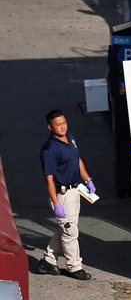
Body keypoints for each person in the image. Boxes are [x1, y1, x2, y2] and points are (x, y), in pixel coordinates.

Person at [37, 109, 96, 280]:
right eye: (58, 125)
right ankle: (74, 267)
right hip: (61, 195)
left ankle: (48, 261)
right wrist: (56, 203)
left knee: (67, 228)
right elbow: (48, 179)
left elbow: (77, 160)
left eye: (64, 123)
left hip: (75, 191)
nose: (62, 127)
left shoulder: (69, 137)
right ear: (50, 127)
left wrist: (88, 179)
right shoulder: (49, 150)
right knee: (70, 233)